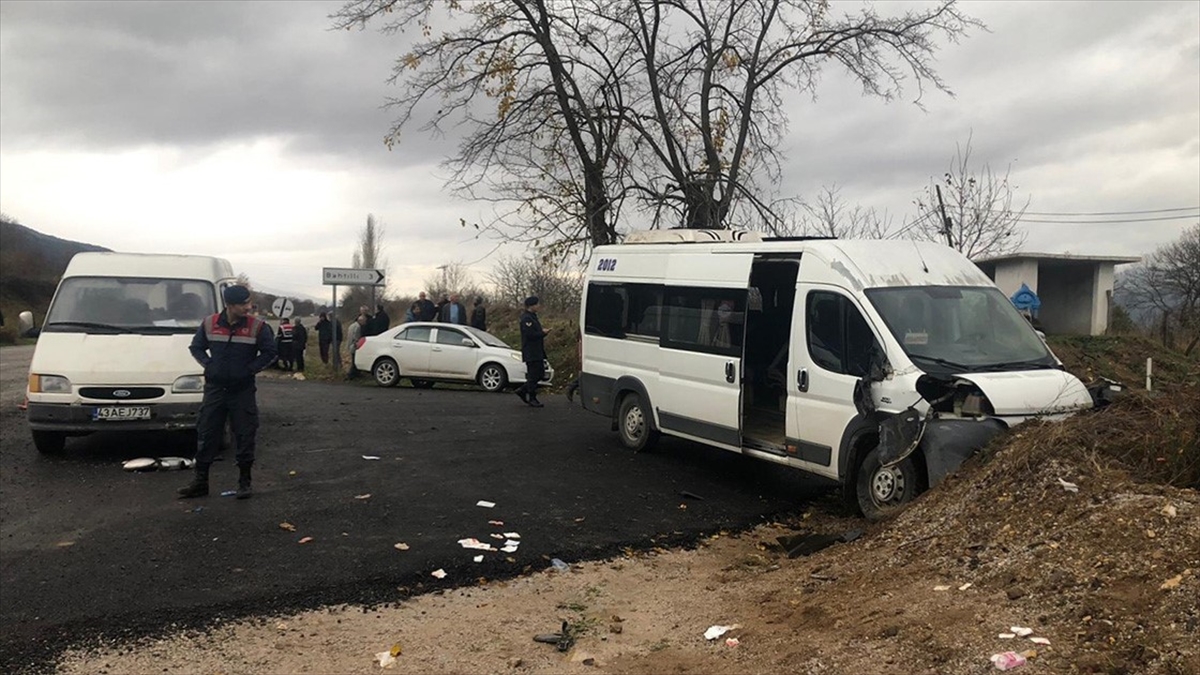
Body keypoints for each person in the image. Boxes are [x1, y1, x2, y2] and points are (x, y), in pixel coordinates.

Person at [178, 285, 277, 500]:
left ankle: (244, 481)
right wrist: (208, 364)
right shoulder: (209, 324)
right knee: (207, 433)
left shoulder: (258, 327)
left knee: (244, 434)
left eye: (248, 302)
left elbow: (270, 352)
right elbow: (196, 347)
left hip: (242, 391)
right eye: (243, 304)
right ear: (229, 305)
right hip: (215, 389)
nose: (247, 307)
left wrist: (249, 369)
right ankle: (200, 482)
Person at [516, 296, 550, 407]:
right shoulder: (526, 319)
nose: (538, 306)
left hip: (537, 350)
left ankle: (522, 390)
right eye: (537, 304)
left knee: (540, 374)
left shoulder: (533, 317)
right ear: (532, 305)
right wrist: (543, 333)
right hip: (531, 351)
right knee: (533, 375)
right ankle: (532, 397)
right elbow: (530, 335)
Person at [346, 313, 368, 379]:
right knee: (354, 361)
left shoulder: (352, 325)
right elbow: (356, 337)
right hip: (354, 346)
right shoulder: (358, 327)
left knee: (353, 360)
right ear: (361, 321)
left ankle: (355, 374)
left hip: (349, 345)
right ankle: (350, 375)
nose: (365, 323)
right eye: (364, 321)